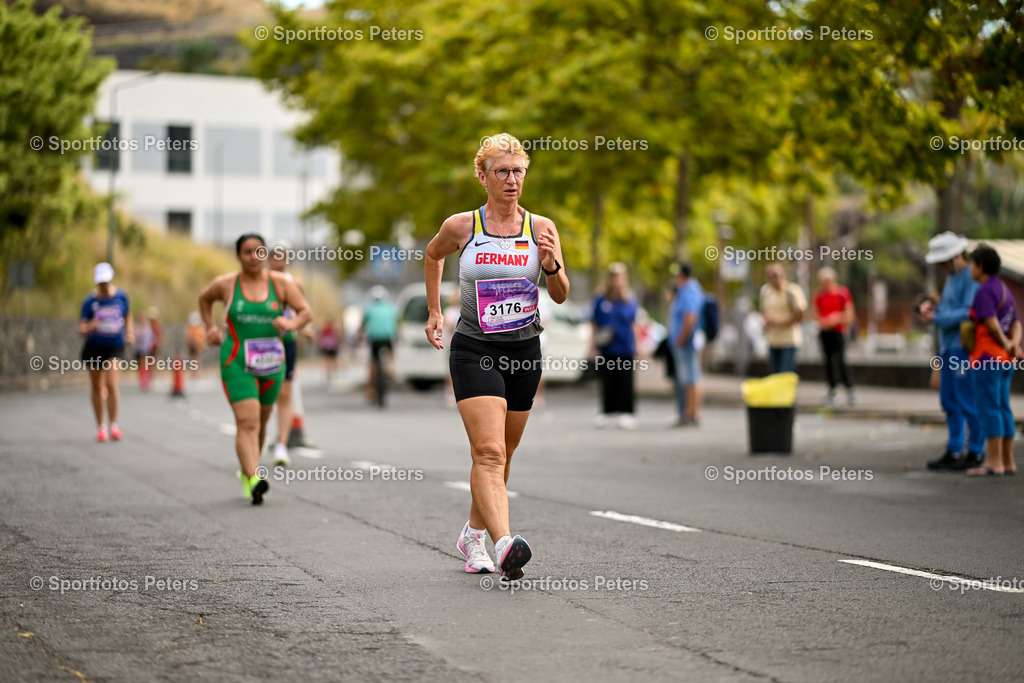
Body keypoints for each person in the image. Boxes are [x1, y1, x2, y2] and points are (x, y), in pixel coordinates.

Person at [424, 133, 568, 579]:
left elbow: (561, 294)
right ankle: (505, 544)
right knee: (487, 451)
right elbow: (433, 255)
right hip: (475, 347)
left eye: (518, 171)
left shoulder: (541, 227)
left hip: (524, 350)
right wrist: (434, 311)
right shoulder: (462, 226)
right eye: (501, 171)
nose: (511, 179)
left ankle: (472, 535)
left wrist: (551, 264)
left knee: (503, 452)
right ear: (483, 176)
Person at [198, 234, 311, 505]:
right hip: (236, 361)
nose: (253, 257)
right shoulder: (226, 284)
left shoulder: (281, 283)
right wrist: (210, 328)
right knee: (247, 421)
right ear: (238, 256)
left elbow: (305, 311)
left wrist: (291, 325)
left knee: (260, 423)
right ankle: (254, 477)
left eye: (258, 251)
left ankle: (249, 469)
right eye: (247, 252)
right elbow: (204, 299)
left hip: (271, 364)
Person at [916, 233, 984, 471]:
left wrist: (937, 317)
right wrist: (933, 309)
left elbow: (968, 312)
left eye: (944, 261)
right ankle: (955, 449)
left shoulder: (970, 276)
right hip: (947, 347)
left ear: (955, 257)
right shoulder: (951, 278)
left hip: (961, 348)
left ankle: (976, 450)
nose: (942, 266)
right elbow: (949, 308)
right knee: (949, 400)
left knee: (967, 400)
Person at [964, 245, 1022, 477]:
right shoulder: (1004, 288)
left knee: (989, 408)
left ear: (980, 266)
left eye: (972, 264)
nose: (970, 268)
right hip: (1005, 360)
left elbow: (990, 322)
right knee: (1002, 407)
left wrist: (1005, 342)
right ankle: (1008, 462)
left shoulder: (985, 291)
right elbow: (1015, 322)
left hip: (987, 358)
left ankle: (994, 462)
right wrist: (1014, 344)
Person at [267, 243, 314, 466]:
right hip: (263, 344)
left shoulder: (295, 283)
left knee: (285, 394)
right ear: (268, 260)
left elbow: (302, 310)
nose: (279, 262)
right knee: (264, 394)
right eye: (275, 257)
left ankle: (281, 446)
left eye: (283, 257)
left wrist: (305, 328)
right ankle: (258, 435)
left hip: (287, 343)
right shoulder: (261, 283)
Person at [79, 262, 134, 442]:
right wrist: (90, 326)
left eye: (105, 281)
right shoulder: (90, 301)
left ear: (111, 279)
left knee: (111, 383)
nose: (103, 285)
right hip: (94, 347)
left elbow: (128, 316)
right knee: (96, 386)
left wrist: (130, 332)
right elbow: (81, 329)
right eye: (100, 282)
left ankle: (113, 425)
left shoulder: (121, 297)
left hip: (114, 347)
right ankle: (100, 427)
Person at [591, 262, 639, 429]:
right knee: (607, 380)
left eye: (620, 277)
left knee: (625, 380)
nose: (617, 281)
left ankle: (626, 412)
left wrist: (637, 345)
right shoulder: (600, 299)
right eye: (614, 277)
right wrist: (592, 346)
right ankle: (607, 411)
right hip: (607, 346)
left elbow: (634, 323)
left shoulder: (629, 299)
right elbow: (594, 323)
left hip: (625, 346)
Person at [813, 267, 856, 406]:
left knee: (841, 361)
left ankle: (850, 390)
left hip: (838, 332)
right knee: (828, 362)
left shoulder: (842, 293)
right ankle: (832, 391)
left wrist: (836, 318)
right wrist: (822, 321)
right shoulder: (819, 295)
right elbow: (814, 313)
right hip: (825, 332)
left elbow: (850, 315)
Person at [669, 263, 704, 426]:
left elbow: (690, 318)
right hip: (684, 343)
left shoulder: (689, 291)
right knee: (688, 379)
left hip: (687, 344)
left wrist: (680, 340)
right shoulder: (686, 290)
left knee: (691, 378)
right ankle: (688, 412)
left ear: (681, 275)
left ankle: (692, 413)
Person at [759, 263, 806, 374]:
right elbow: (763, 311)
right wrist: (767, 321)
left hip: (788, 340)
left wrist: (782, 322)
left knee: (785, 375)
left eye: (776, 275)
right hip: (772, 340)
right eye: (771, 276)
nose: (774, 279)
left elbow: (801, 313)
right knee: (774, 376)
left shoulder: (792, 290)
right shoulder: (765, 291)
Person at [361, 286, 397, 402]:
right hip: (388, 337)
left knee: (373, 362)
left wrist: (359, 334)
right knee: (390, 353)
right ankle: (391, 368)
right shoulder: (390, 308)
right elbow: (395, 323)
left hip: (374, 338)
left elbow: (363, 324)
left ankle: (371, 389)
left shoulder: (369, 309)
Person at [134, 310, 155, 391]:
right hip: (138, 348)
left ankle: (146, 379)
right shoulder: (137, 326)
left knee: (146, 364)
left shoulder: (148, 326)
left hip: (146, 349)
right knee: (140, 365)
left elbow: (150, 337)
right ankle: (142, 379)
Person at [318, 317, 342, 386]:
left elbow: (336, 337)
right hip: (329, 346)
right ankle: (330, 374)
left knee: (330, 360)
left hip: (330, 346)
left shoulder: (330, 329)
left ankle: (331, 373)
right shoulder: (328, 330)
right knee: (329, 360)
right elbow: (322, 338)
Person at [185, 311, 206, 377]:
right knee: (193, 358)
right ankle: (193, 372)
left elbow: (201, 337)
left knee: (197, 358)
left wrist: (198, 343)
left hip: (197, 346)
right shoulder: (190, 328)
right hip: (192, 346)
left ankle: (197, 372)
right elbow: (188, 336)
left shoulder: (199, 328)